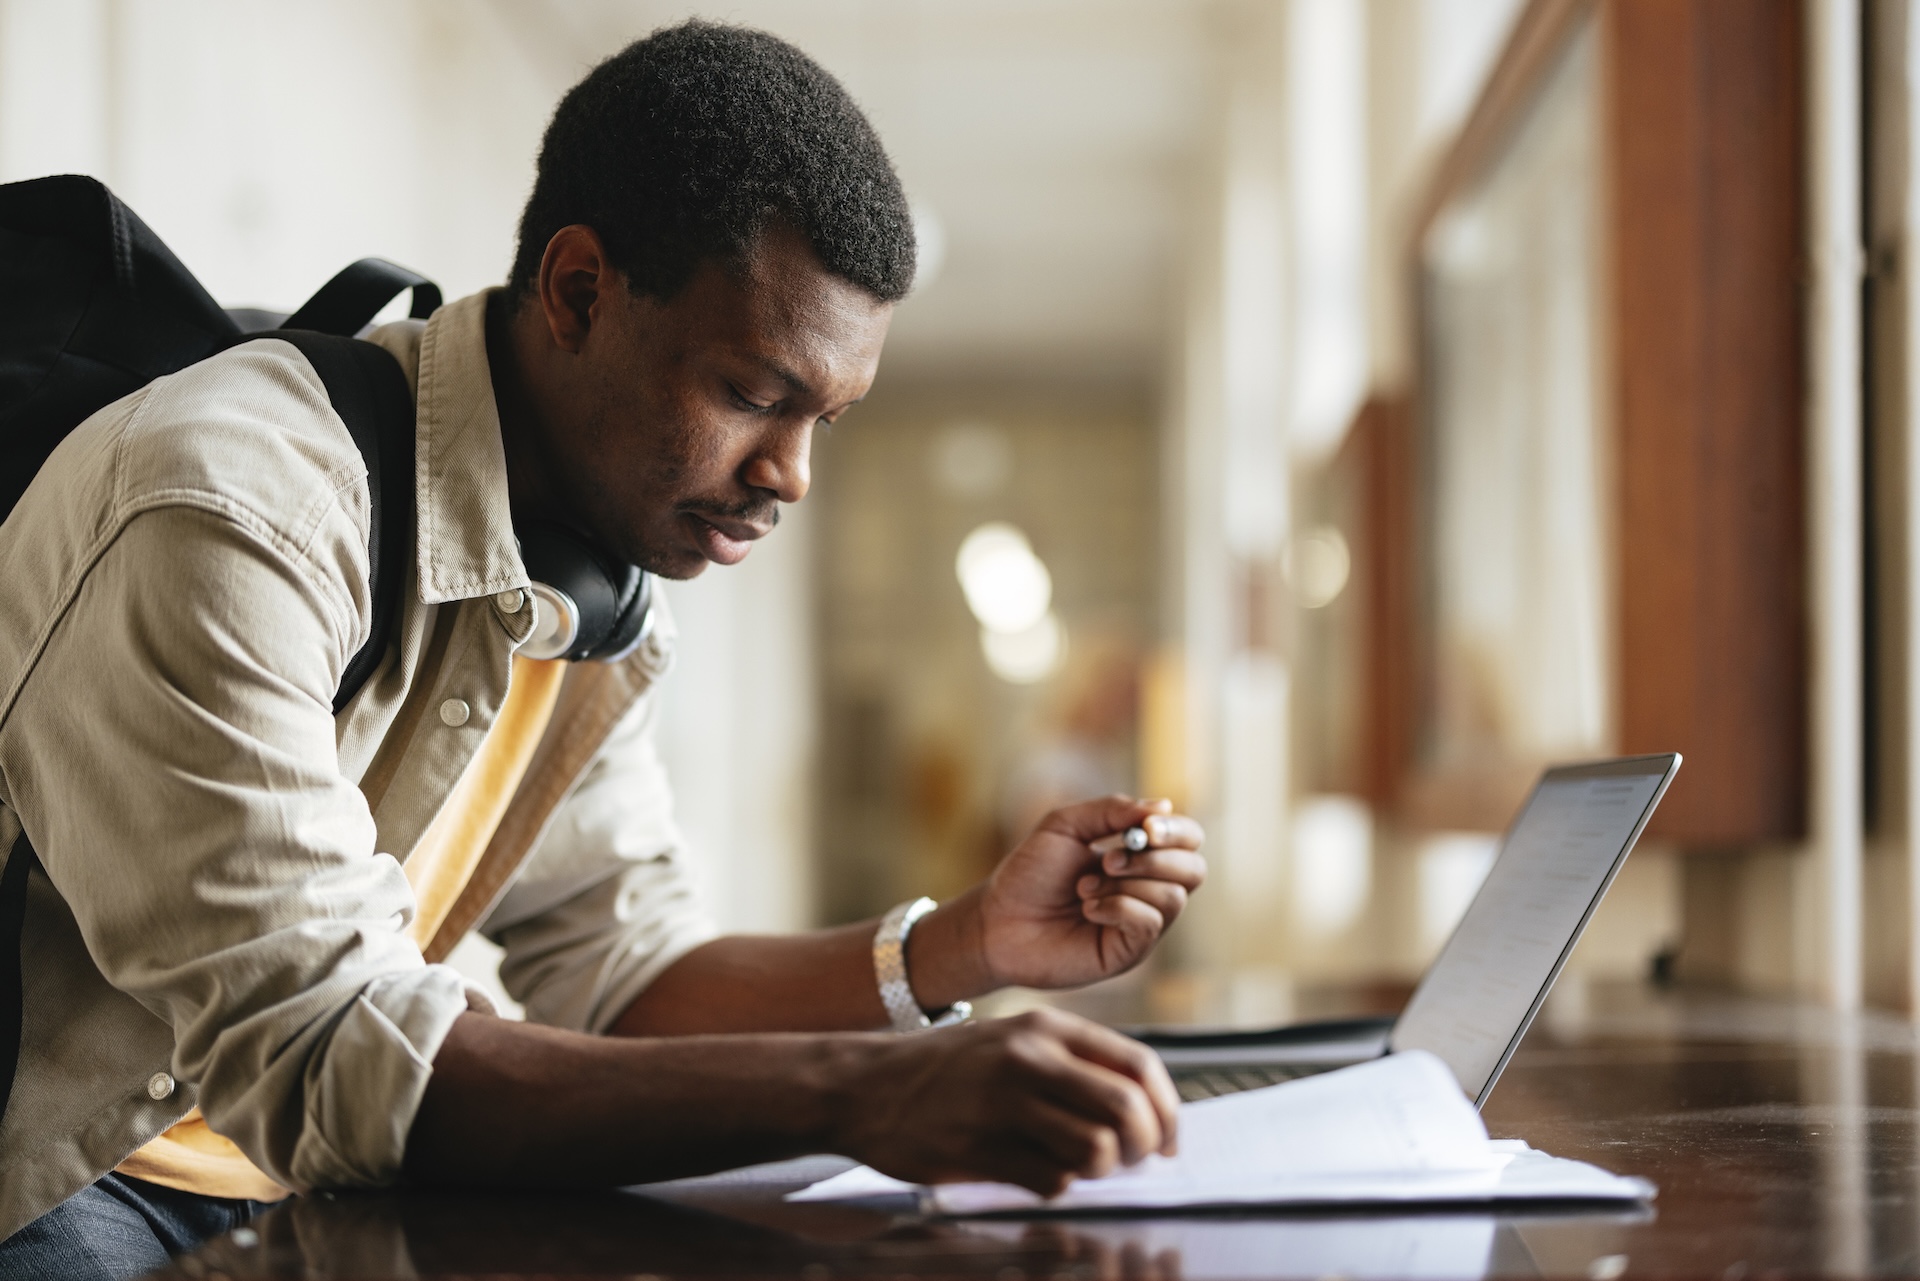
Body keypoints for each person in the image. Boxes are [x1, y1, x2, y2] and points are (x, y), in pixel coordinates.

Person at [0, 19, 1206, 1279]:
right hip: (65, 1185)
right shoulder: (233, 509)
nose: (788, 475)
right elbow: (335, 1050)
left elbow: (622, 965)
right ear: (580, 291)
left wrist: (965, 947)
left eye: (826, 422)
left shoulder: (595, 576)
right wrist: (864, 1089)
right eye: (754, 393)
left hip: (290, 1169)